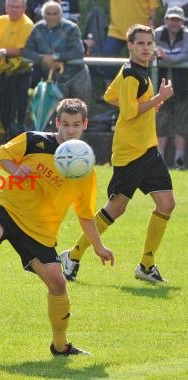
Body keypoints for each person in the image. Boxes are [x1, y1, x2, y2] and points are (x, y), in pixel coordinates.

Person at [0, 98, 114, 356]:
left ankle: (60, 347)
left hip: (40, 230)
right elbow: (1, 154)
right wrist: (14, 169)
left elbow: (84, 215)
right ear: (57, 123)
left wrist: (98, 246)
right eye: (66, 124)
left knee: (58, 284)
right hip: (8, 206)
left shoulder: (84, 170)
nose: (70, 130)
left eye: (76, 125)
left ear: (85, 125)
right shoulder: (34, 140)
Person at [60, 24, 175, 284]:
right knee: (117, 208)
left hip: (147, 148)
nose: (146, 47)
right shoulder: (132, 74)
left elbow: (111, 97)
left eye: (149, 43)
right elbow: (130, 112)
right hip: (131, 152)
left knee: (166, 203)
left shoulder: (136, 73)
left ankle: (146, 265)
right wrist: (159, 98)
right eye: (140, 43)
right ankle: (73, 255)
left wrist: (147, 104)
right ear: (130, 46)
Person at [23, 0, 91, 105]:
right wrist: (42, 58)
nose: (52, 17)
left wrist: (55, 57)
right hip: (55, 80)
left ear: (61, 14)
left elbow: (78, 52)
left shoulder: (72, 28)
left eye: (55, 14)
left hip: (77, 76)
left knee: (80, 113)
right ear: (43, 15)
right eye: (48, 14)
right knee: (58, 116)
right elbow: (27, 51)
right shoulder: (37, 28)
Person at [0, 0, 34, 139]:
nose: (14, 10)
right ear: (6, 7)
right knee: (0, 112)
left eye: (17, 7)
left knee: (17, 114)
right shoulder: (0, 21)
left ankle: (17, 145)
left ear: (24, 8)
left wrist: (3, 51)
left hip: (19, 76)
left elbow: (23, 50)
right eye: (11, 6)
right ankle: (0, 146)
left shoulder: (27, 24)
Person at [154, 6, 188, 169]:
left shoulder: (187, 35)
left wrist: (167, 58)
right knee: (161, 123)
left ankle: (178, 161)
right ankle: (159, 161)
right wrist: (172, 59)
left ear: (182, 21)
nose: (174, 22)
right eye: (171, 19)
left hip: (183, 88)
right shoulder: (157, 34)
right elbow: (152, 54)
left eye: (177, 19)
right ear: (165, 20)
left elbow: (185, 55)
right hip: (160, 88)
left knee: (182, 124)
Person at [101, 0, 160, 84]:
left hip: (140, 31)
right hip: (116, 31)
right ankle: (110, 93)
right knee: (107, 59)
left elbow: (153, 5)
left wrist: (151, 22)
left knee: (145, 62)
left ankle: (144, 92)